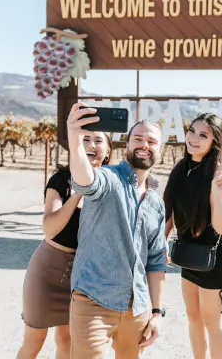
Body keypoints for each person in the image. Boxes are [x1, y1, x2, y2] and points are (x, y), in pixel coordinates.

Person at [65, 102, 168, 359]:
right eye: (138, 139)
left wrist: (157, 313)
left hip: (137, 308)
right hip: (93, 302)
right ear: (127, 144)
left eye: (151, 141)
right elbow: (85, 180)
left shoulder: (156, 202)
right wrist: (75, 139)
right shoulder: (108, 178)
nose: (144, 145)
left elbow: (156, 262)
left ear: (161, 149)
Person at [16, 131, 113, 359]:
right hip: (47, 273)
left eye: (99, 141)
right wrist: (78, 192)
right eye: (85, 139)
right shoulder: (61, 179)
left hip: (83, 278)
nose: (91, 144)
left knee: (67, 342)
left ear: (108, 151)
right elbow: (50, 229)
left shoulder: (111, 186)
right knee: (33, 343)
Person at [163, 112, 222, 359]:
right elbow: (171, 211)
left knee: (213, 324)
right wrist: (163, 239)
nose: (194, 138)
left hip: (215, 259)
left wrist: (217, 195)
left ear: (214, 142)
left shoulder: (217, 176)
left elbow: (220, 227)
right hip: (191, 255)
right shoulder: (182, 168)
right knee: (193, 318)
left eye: (203, 135)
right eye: (192, 131)